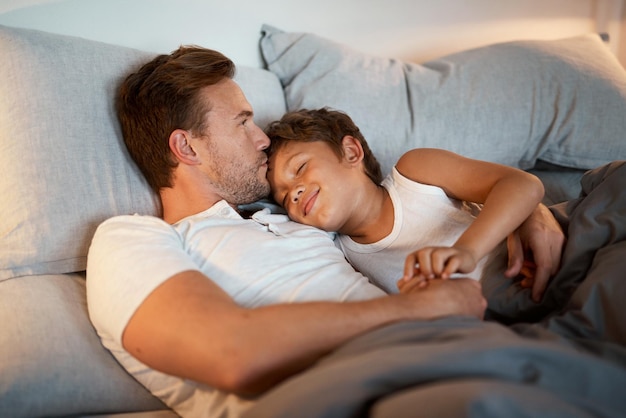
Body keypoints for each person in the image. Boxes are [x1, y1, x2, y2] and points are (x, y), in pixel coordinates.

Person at [86, 46, 564, 418]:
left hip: (454, 349)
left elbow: (384, 211)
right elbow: (234, 354)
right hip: (356, 387)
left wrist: (528, 208)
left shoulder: (294, 217)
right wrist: (419, 308)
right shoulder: (131, 240)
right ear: (186, 147)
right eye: (242, 122)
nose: (262, 140)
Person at [265, 107, 562, 301]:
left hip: (553, 255)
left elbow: (522, 184)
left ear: (351, 152)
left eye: (300, 168)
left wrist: (465, 251)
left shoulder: (415, 172)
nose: (293, 193)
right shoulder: (339, 257)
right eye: (282, 197)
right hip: (506, 311)